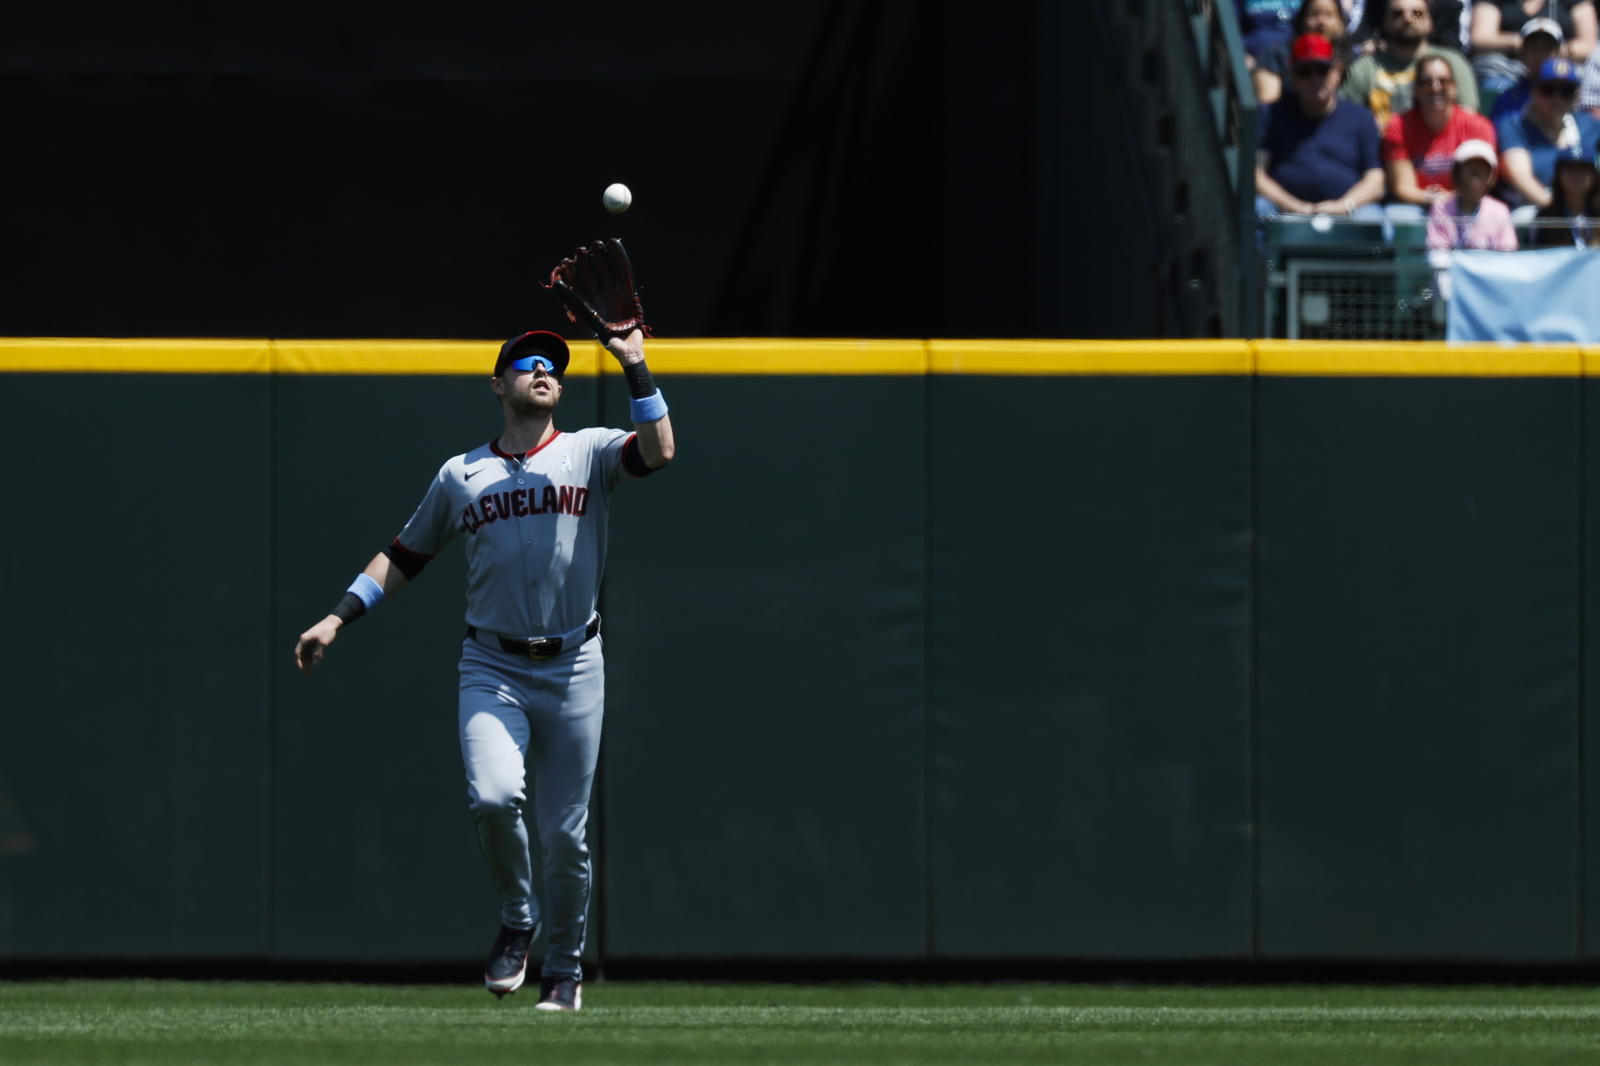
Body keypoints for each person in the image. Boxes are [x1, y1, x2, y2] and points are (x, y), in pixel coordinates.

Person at [293, 324, 675, 1011]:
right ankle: (518, 916)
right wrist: (336, 616)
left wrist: (637, 366)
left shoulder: (587, 451)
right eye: (527, 364)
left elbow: (660, 450)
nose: (543, 371)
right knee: (496, 797)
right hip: (491, 665)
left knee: (565, 835)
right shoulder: (462, 473)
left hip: (574, 666)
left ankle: (563, 970)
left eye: (554, 366)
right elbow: (406, 554)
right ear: (498, 384)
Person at [1258, 34, 1388, 216]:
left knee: (1372, 218)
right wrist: (1295, 206)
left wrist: (1343, 206)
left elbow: (1375, 180)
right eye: (1305, 72)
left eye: (1322, 70)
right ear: (1292, 75)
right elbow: (1255, 175)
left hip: (1349, 210)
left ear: (1337, 72)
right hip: (1283, 209)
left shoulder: (1361, 117)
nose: (1315, 79)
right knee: (1259, 208)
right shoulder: (1271, 114)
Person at [1382, 54, 1499, 208]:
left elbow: (1483, 181)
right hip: (1418, 204)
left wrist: (1449, 200)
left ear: (1454, 87)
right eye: (1426, 82)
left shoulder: (1478, 127)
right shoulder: (1399, 126)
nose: (1435, 87)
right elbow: (1403, 188)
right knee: (1402, 215)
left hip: (1465, 205)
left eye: (1443, 81)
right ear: (1416, 89)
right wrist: (1433, 198)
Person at [1344, 0, 1480, 131]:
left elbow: (1469, 119)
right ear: (1385, 22)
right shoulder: (1364, 68)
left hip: (1439, 151)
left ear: (1430, 21)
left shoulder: (1453, 63)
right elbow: (1347, 119)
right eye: (1398, 13)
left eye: (1417, 13)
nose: (1407, 19)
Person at [1497, 57, 1600, 208]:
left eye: (1566, 91)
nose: (1557, 98)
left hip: (1584, 211)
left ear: (1576, 95)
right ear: (1534, 91)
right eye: (1548, 90)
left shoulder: (1589, 125)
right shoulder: (1514, 126)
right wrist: (1560, 212)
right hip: (1533, 211)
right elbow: (1520, 177)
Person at [1256, 0, 1355, 105]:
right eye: (1314, 14)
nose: (1321, 22)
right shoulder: (1277, 57)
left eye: (1329, 14)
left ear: (1341, 23)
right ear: (1302, 21)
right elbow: (1267, 106)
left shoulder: (1351, 60)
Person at [1426, 138, 1520, 247]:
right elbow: (1437, 253)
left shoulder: (1500, 211)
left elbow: (1507, 253)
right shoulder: (1441, 209)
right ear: (1457, 172)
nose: (1476, 170)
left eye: (1483, 166)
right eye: (1469, 165)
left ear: (1492, 177)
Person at [1487, 19, 1568, 122]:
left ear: (1559, 53)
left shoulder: (1569, 94)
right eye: (1533, 48)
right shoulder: (1508, 97)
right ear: (1522, 53)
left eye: (1547, 48)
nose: (1540, 54)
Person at [1528, 140, 1600, 244]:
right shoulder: (1545, 218)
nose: (1576, 175)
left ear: (1594, 176)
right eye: (1569, 168)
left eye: (1583, 169)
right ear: (1558, 175)